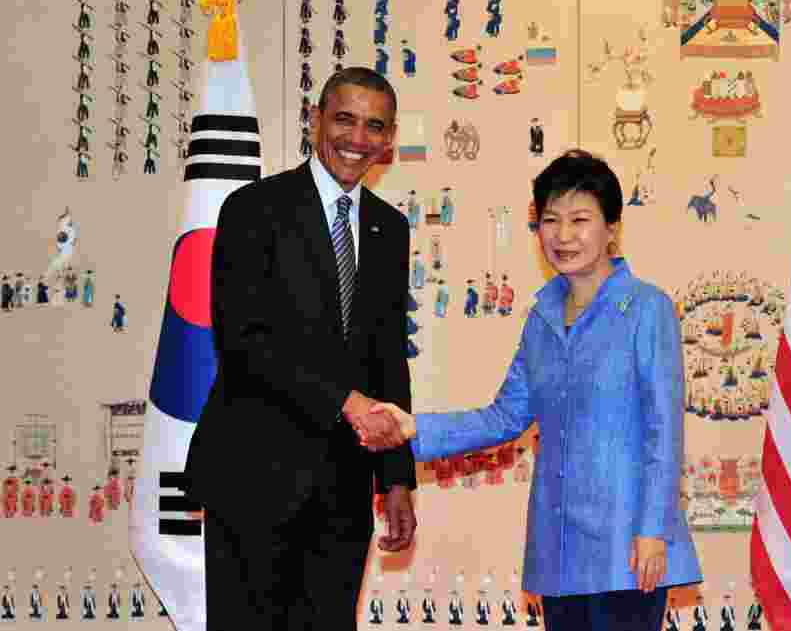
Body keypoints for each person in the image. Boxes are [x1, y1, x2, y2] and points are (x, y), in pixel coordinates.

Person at [363, 150, 703, 631]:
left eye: (580, 219)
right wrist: (413, 427)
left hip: (627, 547)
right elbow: (505, 417)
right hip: (558, 548)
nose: (564, 235)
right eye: (551, 220)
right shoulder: (542, 317)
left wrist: (653, 531)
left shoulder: (647, 309)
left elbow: (663, 431)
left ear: (612, 229)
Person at [183, 66, 417, 631]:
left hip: (341, 490)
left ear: (388, 140)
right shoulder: (253, 209)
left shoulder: (390, 228)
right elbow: (244, 341)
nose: (357, 139)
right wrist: (345, 400)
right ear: (316, 121)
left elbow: (387, 356)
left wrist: (397, 478)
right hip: (252, 477)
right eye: (344, 119)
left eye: (374, 127)